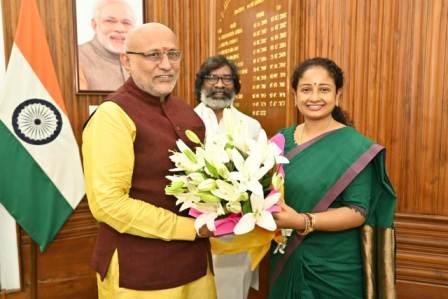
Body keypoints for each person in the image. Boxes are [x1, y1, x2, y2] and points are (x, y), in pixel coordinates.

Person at [82, 22, 216, 298]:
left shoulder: (187, 112)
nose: (167, 65)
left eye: (173, 54)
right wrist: (189, 228)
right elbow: (108, 204)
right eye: (154, 55)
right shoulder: (113, 115)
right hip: (140, 273)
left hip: (196, 265)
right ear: (126, 61)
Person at [269, 57, 396, 298]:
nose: (314, 97)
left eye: (324, 89)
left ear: (337, 95)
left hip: (333, 268)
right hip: (285, 257)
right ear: (295, 95)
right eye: (306, 89)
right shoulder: (281, 140)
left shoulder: (355, 147)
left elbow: (357, 211)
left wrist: (302, 221)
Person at [194, 55, 262, 299]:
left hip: (237, 230)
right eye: (212, 78)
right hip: (195, 230)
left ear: (236, 85)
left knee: (234, 291)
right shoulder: (185, 122)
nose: (220, 85)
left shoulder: (251, 126)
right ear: (201, 83)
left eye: (227, 78)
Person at [78, 0, 136, 91]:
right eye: (110, 21)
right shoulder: (76, 58)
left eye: (126, 23)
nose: (120, 29)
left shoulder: (141, 58)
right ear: (94, 24)